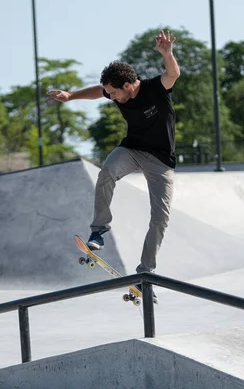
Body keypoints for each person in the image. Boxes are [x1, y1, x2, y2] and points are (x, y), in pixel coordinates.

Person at [47, 30, 180, 290]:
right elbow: (99, 91)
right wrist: (71, 95)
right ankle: (99, 230)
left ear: (128, 85)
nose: (112, 98)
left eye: (114, 94)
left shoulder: (155, 88)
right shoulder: (112, 91)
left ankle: (146, 274)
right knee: (107, 171)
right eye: (110, 94)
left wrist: (167, 54)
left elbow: (173, 74)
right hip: (132, 149)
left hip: (161, 160)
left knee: (160, 218)